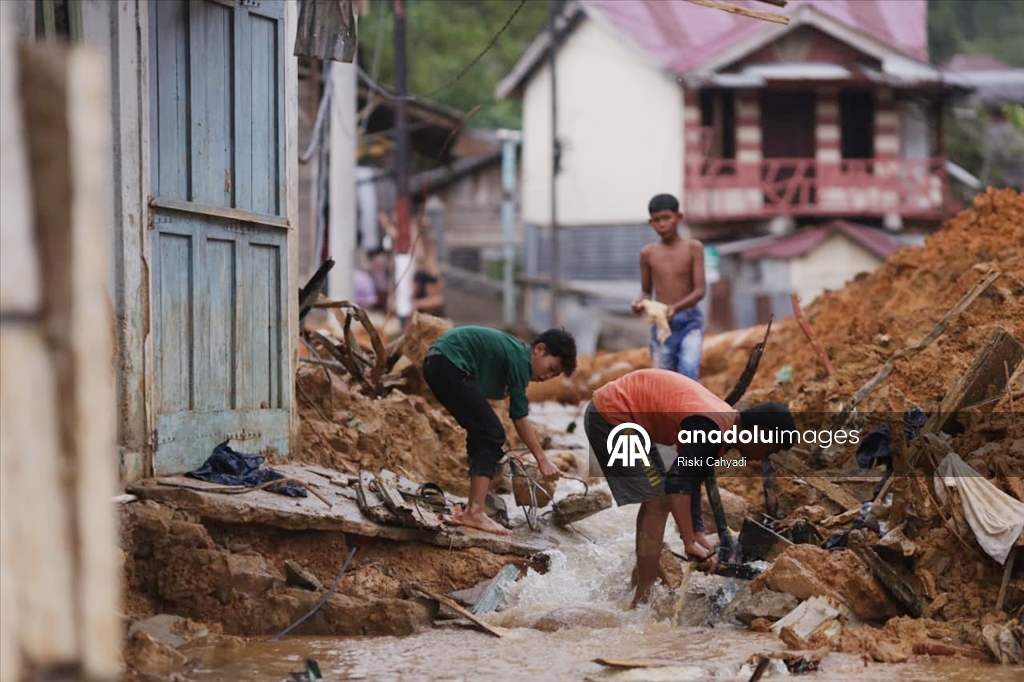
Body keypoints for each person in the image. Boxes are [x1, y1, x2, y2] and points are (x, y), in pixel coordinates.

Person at [585, 368, 796, 607]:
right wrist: (688, 542)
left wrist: (697, 534)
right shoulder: (711, 428)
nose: (764, 458)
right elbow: (678, 483)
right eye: (769, 449)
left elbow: (692, 480)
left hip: (628, 415)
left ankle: (639, 585)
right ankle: (641, 599)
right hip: (611, 415)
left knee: (658, 498)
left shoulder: (722, 427)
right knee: (657, 501)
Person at [423, 326, 578, 536]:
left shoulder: (515, 355)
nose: (547, 376)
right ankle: (475, 511)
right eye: (550, 368)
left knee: (482, 432)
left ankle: (476, 504)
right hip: (449, 363)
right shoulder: (521, 362)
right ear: (539, 349)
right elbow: (519, 418)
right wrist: (542, 460)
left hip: (438, 362)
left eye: (554, 375)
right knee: (492, 434)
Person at [632, 194, 707, 380]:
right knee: (663, 375)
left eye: (666, 218)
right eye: (657, 220)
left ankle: (690, 409)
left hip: (690, 320)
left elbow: (700, 290)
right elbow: (646, 291)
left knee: (689, 368)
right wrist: (640, 303)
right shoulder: (648, 253)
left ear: (679, 217)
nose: (662, 224)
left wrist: (676, 307)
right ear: (651, 223)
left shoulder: (693, 248)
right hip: (662, 322)